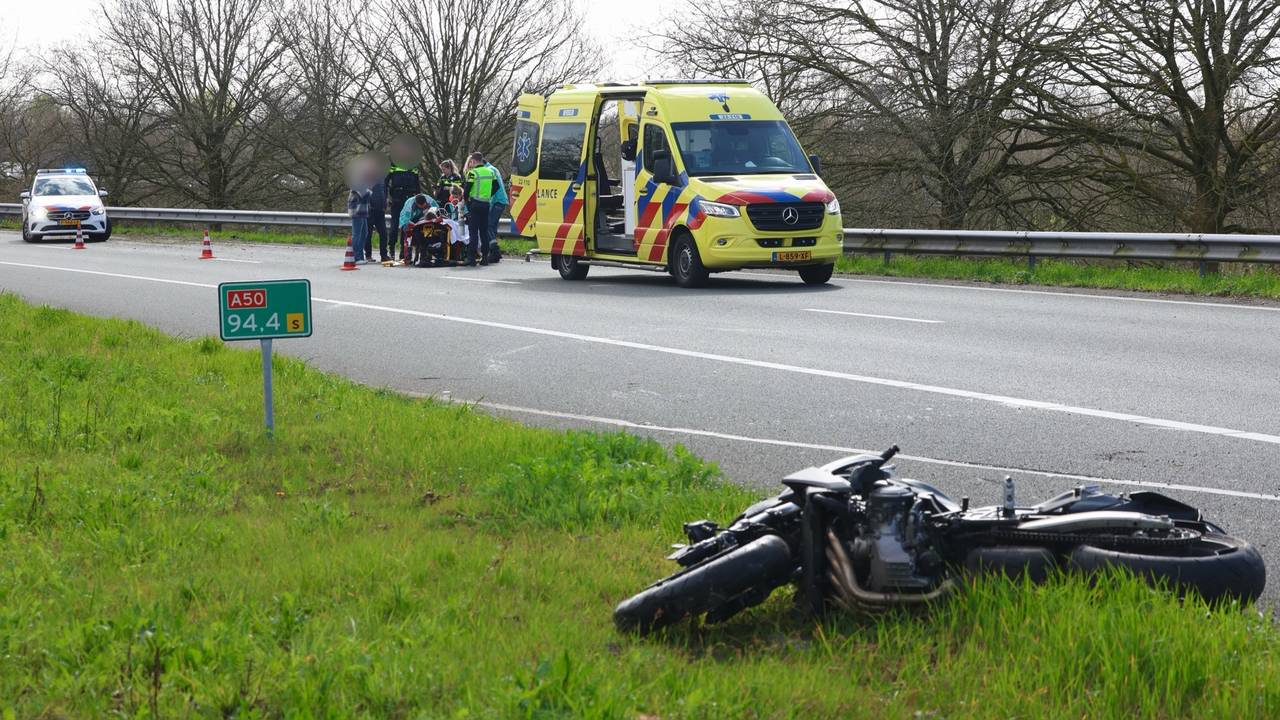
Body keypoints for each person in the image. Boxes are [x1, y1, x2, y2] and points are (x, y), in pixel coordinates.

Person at [463, 152, 498, 266]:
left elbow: (466, 190)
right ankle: (485, 259)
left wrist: (467, 203)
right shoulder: (490, 172)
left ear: (473, 161)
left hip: (475, 204)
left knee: (473, 232)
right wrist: (488, 195)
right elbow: (496, 186)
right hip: (486, 204)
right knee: (483, 232)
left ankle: (471, 258)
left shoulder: (472, 173)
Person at [385, 161, 421, 261]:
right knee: (394, 226)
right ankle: (391, 250)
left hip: (409, 199)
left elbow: (417, 185)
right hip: (396, 197)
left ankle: (403, 251)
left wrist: (418, 200)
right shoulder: (393, 163)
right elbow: (386, 182)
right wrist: (386, 197)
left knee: (406, 225)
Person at [399, 193, 438, 265]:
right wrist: (412, 227)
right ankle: (406, 256)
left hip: (425, 219)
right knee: (407, 233)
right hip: (411, 219)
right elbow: (405, 220)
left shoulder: (431, 201)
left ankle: (426, 254)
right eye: (421, 206)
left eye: (424, 206)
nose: (423, 207)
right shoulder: (409, 205)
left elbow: (437, 211)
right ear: (417, 204)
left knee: (428, 231)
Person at [484, 158, 508, 264]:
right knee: (492, 226)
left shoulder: (488, 170)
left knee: (489, 225)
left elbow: (491, 188)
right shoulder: (493, 168)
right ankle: (494, 251)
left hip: (497, 201)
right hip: (499, 201)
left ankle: (495, 251)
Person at [347, 181, 372, 263]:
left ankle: (360, 256)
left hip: (363, 210)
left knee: (364, 233)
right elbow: (365, 194)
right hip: (357, 211)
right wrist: (371, 191)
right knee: (357, 234)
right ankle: (356, 257)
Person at [368, 168, 389, 262]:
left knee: (384, 233)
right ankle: (368, 255)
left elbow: (384, 192)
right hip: (369, 211)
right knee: (368, 234)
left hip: (380, 211)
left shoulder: (381, 179)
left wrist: (385, 204)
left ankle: (384, 255)